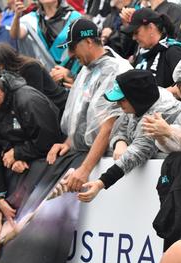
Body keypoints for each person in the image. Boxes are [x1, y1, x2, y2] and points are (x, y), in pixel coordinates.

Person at [46, 18, 132, 192]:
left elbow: (110, 125)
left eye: (72, 47)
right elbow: (82, 115)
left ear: (88, 41)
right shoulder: (87, 68)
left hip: (106, 161)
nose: (70, 55)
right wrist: (69, 142)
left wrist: (85, 169)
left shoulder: (115, 69)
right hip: (85, 156)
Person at [77, 69, 181, 202]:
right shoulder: (142, 102)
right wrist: (120, 142)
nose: (117, 104)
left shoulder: (159, 115)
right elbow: (121, 126)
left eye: (121, 100)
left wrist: (100, 183)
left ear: (137, 97)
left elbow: (135, 153)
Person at [0, 71, 64, 174]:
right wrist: (13, 156)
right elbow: (1, 139)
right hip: (28, 162)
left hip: (55, 161)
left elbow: (48, 140)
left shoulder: (27, 101)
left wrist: (18, 153)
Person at [0, 43, 68, 115]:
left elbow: (35, 100)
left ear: (0, 64)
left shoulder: (31, 68)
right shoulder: (4, 75)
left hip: (60, 108)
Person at [10, 0, 82, 74]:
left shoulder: (74, 16)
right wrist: (17, 17)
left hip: (71, 73)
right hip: (47, 76)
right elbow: (15, 34)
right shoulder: (31, 19)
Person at [122, 8, 181, 88]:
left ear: (151, 27)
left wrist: (156, 95)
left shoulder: (173, 51)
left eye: (136, 32)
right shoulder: (141, 53)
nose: (133, 38)